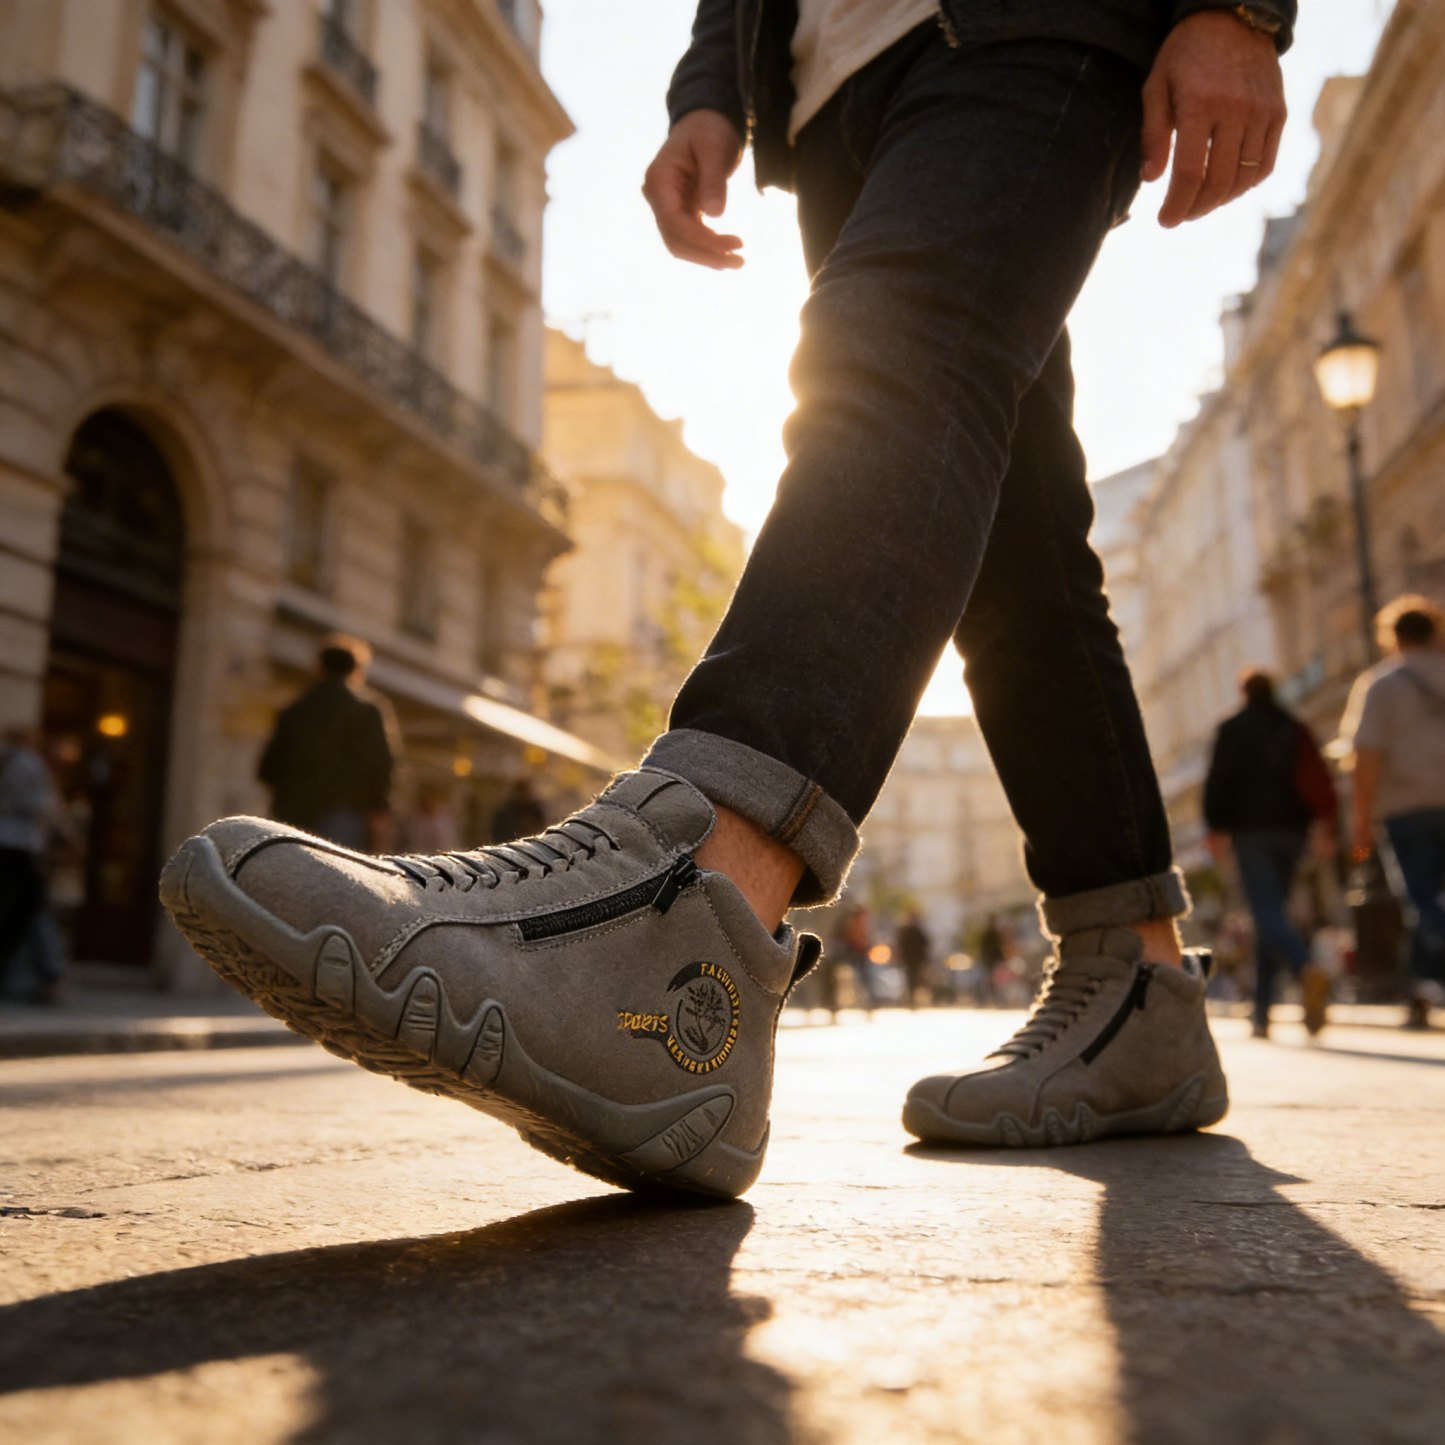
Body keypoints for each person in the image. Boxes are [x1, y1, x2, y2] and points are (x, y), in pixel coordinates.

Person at [163, 1, 1293, 1197]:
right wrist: (710, 84)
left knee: (894, 354)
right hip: (830, 88)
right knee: (1016, 528)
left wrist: (1238, 9)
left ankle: (684, 921)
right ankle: (1132, 980)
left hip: (1026, 21)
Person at [1203, 669, 1338, 1038]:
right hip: (1292, 830)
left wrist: (1215, 827)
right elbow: (1317, 775)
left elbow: (1218, 781)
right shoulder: (1292, 725)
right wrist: (1324, 827)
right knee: (1271, 912)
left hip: (1251, 832)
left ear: (1244, 693)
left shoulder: (1232, 728)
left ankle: (1304, 966)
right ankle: (1262, 1013)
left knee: (1264, 908)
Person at [1339, 597, 1445, 1029]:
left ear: (1392, 636)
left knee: (1421, 899)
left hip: (1407, 809)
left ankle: (1421, 985)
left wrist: (1361, 822)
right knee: (1426, 903)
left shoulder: (1381, 685)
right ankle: (1418, 986)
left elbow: (1365, 757)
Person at [257, 636, 395, 852]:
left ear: (320, 667)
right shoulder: (366, 712)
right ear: (355, 670)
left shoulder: (295, 711)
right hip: (345, 814)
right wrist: (379, 806)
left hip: (293, 812)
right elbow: (380, 764)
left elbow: (268, 768)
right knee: (338, 870)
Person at [0, 728, 59, 1001]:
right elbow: (38, 803)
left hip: (9, 842)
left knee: (18, 910)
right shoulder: (26, 762)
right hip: (20, 844)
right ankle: (50, 978)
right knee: (27, 909)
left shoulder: (8, 760)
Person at [491, 779, 547, 845]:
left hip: (534, 844)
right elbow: (499, 834)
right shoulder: (506, 812)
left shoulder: (535, 811)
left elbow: (541, 828)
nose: (524, 794)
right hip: (512, 845)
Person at [895, 912, 931, 1008]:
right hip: (911, 959)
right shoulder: (908, 931)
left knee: (915, 978)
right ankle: (913, 996)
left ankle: (915, 996)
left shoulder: (913, 931)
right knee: (912, 978)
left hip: (915, 959)